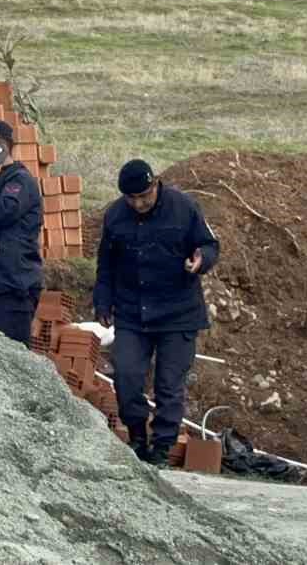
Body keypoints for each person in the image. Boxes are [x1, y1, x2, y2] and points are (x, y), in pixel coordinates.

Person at [93, 159, 220, 466]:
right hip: (132, 312)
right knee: (126, 375)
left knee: (168, 384)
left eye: (144, 197)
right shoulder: (115, 216)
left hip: (178, 313)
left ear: (156, 184)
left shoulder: (184, 207)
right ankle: (137, 437)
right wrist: (102, 302)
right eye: (131, 199)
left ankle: (162, 447)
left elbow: (209, 244)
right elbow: (106, 265)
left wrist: (201, 259)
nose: (138, 204)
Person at [0, 119, 44, 344]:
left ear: (0, 149)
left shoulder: (19, 181)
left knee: (16, 363)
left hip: (14, 286)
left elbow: (1, 212)